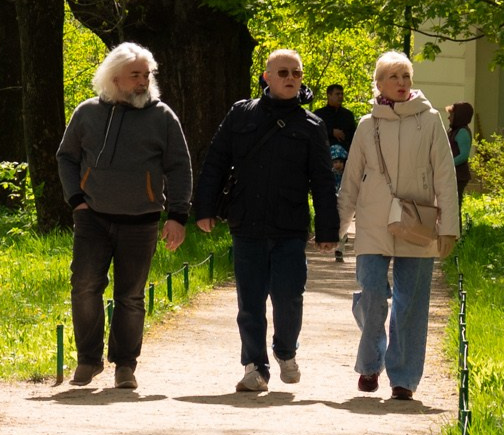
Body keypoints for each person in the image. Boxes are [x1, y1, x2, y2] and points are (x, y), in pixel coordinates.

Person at [194, 49, 339, 394]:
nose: (291, 78)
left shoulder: (312, 126)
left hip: (290, 227)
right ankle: (254, 366)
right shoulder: (241, 115)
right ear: (266, 77)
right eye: (283, 72)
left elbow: (321, 181)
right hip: (247, 224)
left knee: (289, 297)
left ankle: (285, 351)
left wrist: (328, 230)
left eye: (297, 73)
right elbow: (215, 162)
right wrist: (204, 208)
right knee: (250, 301)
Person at [55, 42, 192, 391]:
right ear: (115, 78)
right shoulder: (86, 113)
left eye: (147, 75)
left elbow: (180, 167)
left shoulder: (162, 117)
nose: (143, 81)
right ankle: (88, 359)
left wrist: (177, 215)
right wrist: (76, 199)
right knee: (85, 287)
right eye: (135, 75)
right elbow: (66, 157)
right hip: (93, 217)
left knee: (130, 297)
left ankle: (125, 366)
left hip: (141, 220)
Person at [338, 53, 461, 402]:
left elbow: (444, 176)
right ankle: (370, 362)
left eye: (406, 75)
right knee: (372, 293)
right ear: (379, 84)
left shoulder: (430, 119)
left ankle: (404, 377)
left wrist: (448, 226)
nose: (402, 82)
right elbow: (350, 182)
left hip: (418, 224)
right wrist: (336, 229)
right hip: (374, 222)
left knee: (411, 303)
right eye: (394, 77)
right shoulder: (366, 125)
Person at [316, 83, 358, 166]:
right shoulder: (318, 115)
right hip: (324, 159)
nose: (340, 96)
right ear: (329, 95)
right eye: (337, 94)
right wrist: (331, 132)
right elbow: (314, 134)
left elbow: (354, 137)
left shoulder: (348, 115)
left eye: (342, 94)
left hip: (345, 160)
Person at [447, 101, 475, 198]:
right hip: (452, 174)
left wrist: (447, 164)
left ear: (458, 117)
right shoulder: (454, 131)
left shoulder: (462, 132)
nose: (449, 118)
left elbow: (463, 155)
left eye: (451, 115)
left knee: (455, 203)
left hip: (459, 175)